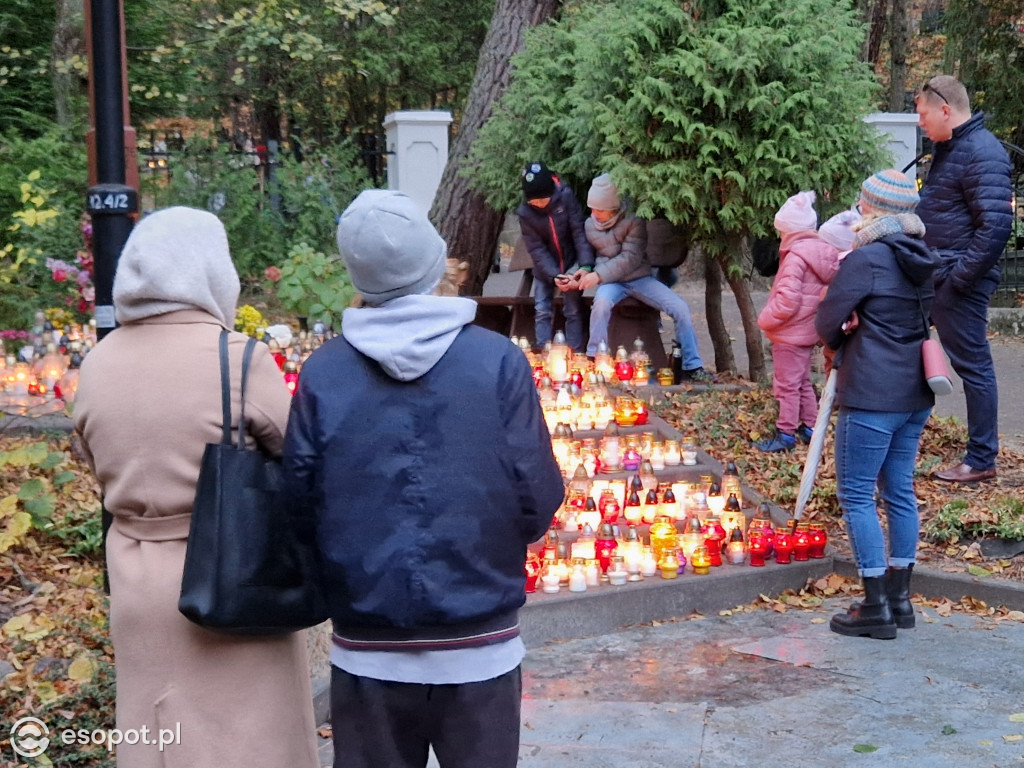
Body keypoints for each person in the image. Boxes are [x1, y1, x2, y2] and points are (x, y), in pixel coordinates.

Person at [281, 189, 565, 768]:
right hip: (479, 642)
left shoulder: (326, 372)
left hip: (368, 642)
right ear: (435, 264)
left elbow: (299, 501)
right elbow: (536, 496)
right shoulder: (496, 361)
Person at [72, 207, 319, 768]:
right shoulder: (236, 360)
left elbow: (89, 452)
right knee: (254, 740)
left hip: (135, 581)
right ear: (212, 272)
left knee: (157, 735)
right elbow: (299, 454)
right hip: (232, 572)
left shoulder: (97, 363)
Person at [815, 170, 941, 640]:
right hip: (915, 394)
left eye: (863, 204)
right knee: (900, 490)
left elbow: (826, 318)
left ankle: (873, 606)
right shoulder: (922, 256)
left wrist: (839, 331)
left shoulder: (865, 259)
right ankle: (899, 598)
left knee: (856, 495)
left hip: (872, 393)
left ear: (872, 209)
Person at [915, 75, 1013, 483]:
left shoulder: (982, 151)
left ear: (944, 109)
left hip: (957, 279)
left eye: (922, 115)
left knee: (973, 367)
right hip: (938, 273)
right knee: (911, 353)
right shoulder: (953, 147)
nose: (920, 123)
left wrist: (957, 279)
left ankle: (981, 459)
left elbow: (996, 225)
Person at [570, 173, 713, 382]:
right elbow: (586, 255)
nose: (594, 213)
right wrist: (580, 271)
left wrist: (598, 275)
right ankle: (596, 357)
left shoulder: (634, 221)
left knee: (680, 308)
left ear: (613, 208)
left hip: (639, 279)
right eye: (592, 208)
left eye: (600, 209)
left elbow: (631, 257)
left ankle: (692, 366)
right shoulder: (589, 225)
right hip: (611, 283)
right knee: (600, 303)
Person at [755, 191, 840, 452]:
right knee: (802, 380)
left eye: (781, 231)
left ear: (789, 230)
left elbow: (787, 301)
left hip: (789, 333)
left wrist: (765, 320)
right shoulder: (823, 251)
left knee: (786, 385)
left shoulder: (794, 256)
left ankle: (786, 432)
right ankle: (811, 426)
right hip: (808, 329)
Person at [516, 162, 595, 351]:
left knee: (573, 310)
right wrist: (553, 275)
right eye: (532, 201)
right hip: (545, 269)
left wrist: (584, 266)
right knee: (542, 309)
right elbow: (536, 248)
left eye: (541, 200)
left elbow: (578, 231)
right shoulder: (525, 213)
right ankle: (544, 351)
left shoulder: (565, 197)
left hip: (571, 264)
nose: (537, 204)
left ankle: (575, 351)